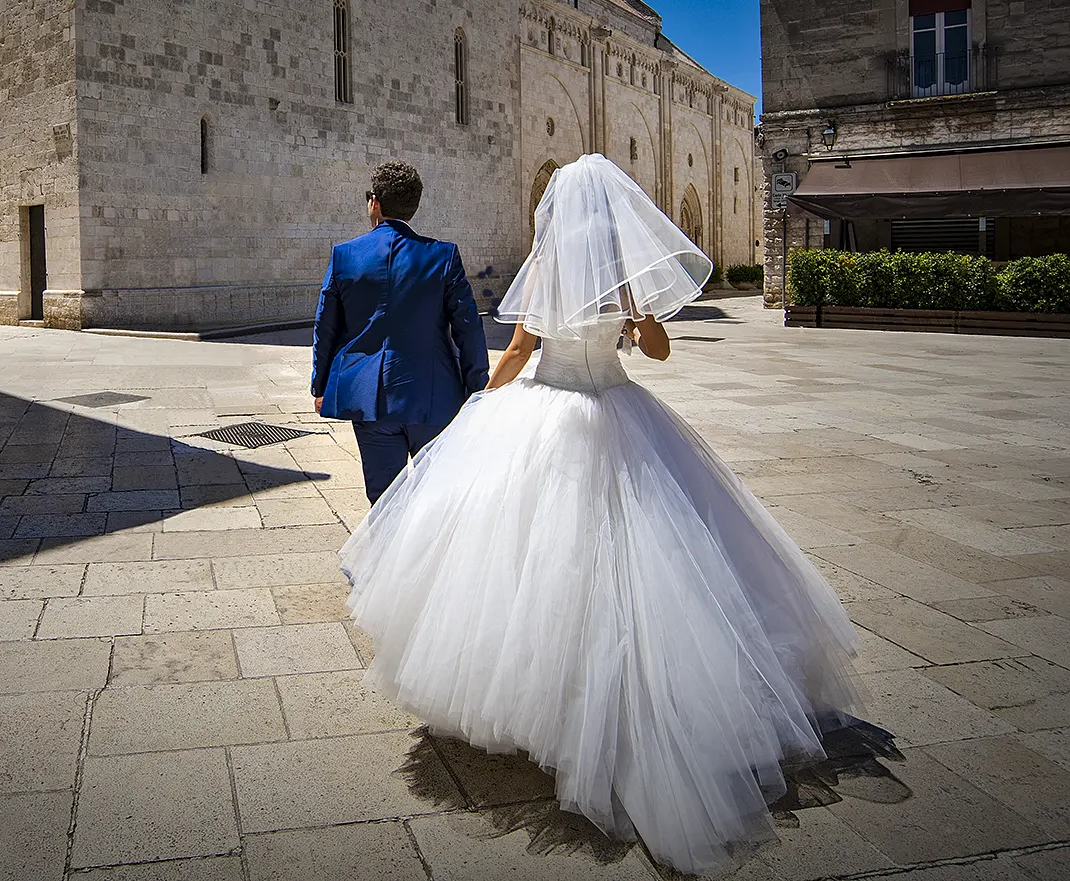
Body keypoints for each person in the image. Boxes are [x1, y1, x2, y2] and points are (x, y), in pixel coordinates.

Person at [337, 152, 874, 876]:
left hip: (551, 409)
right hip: (618, 409)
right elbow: (658, 350)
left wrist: (481, 402)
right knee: (644, 557)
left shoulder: (549, 268)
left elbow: (522, 349)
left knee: (537, 562)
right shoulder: (620, 275)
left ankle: (548, 707)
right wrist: (635, 318)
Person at [310, 161, 490, 502]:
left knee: (383, 500)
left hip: (370, 399)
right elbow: (468, 327)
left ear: (374, 202)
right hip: (435, 396)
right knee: (435, 499)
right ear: (414, 205)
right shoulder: (443, 256)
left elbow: (326, 326)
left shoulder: (344, 255)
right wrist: (476, 387)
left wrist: (320, 384)